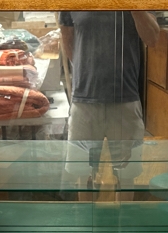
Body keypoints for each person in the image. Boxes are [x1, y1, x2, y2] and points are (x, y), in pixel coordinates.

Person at [58, 11, 159, 181]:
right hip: (85, 100)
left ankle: (125, 209)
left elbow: (152, 38)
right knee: (82, 176)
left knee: (127, 176)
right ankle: (85, 209)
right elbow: (67, 37)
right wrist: (87, 71)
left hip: (125, 97)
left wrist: (133, 5)